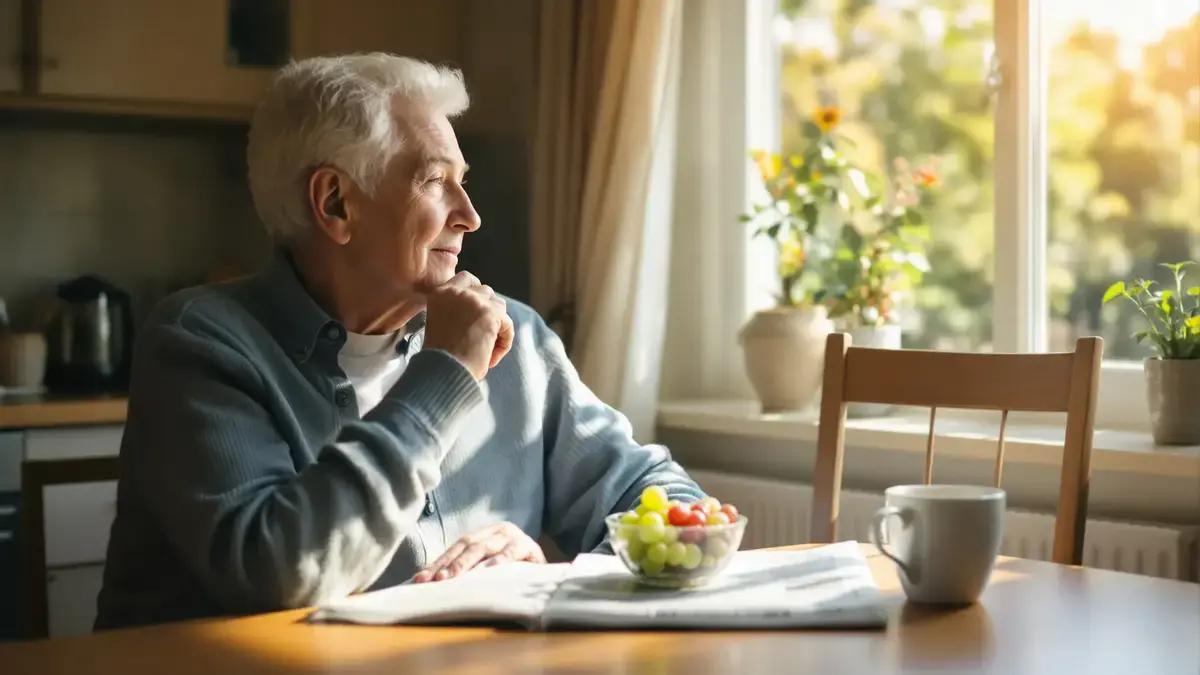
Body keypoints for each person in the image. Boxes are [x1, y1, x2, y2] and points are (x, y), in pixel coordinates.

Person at [93, 53, 706, 631]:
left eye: (463, 183)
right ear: (335, 203)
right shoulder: (202, 343)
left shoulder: (514, 339)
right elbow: (278, 573)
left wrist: (554, 577)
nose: (469, 215)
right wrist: (446, 375)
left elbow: (670, 504)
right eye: (436, 181)